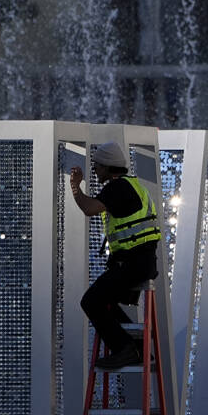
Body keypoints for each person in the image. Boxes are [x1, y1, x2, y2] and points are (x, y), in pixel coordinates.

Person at [69, 141, 161, 369]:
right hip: (141, 263)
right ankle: (138, 346)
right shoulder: (133, 185)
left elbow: (89, 208)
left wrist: (75, 187)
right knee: (105, 302)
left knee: (90, 301)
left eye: (98, 167)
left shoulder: (117, 187)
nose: (95, 171)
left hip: (133, 265)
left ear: (109, 167)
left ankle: (126, 349)